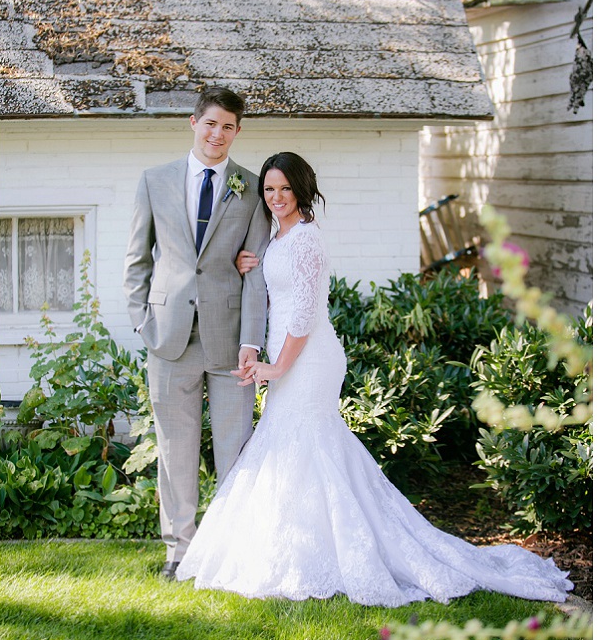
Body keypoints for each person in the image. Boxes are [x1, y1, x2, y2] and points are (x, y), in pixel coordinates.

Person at [175, 152, 572, 605]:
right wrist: (253, 263)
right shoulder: (277, 237)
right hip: (291, 355)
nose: (276, 197)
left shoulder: (306, 240)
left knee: (307, 443)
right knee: (298, 445)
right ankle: (301, 544)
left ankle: (330, 549)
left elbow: (303, 315)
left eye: (285, 188)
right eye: (269, 189)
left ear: (302, 189)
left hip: (308, 358)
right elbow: (275, 287)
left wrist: (277, 367)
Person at [124, 86, 272, 580]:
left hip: (229, 341)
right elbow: (137, 260)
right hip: (168, 338)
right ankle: (180, 552)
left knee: (234, 448)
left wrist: (251, 343)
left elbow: (255, 274)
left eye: (228, 126)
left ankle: (229, 549)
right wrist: (142, 322)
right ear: (193, 123)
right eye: (211, 123)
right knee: (176, 451)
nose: (218, 134)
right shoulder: (154, 180)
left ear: (237, 131)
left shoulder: (252, 188)